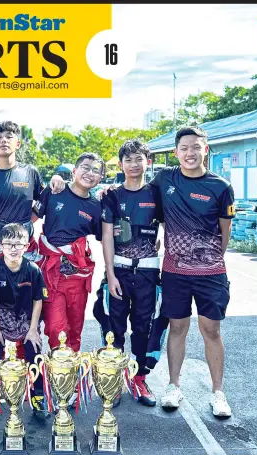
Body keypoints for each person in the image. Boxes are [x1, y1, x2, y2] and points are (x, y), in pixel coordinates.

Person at [151, 126, 235, 418]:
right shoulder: (164, 179)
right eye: (184, 148)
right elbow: (136, 191)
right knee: (177, 327)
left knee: (211, 329)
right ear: (176, 152)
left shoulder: (221, 187)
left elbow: (225, 232)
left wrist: (209, 260)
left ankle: (218, 393)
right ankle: (173, 386)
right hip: (174, 271)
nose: (190, 153)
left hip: (211, 272)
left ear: (205, 150)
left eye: (196, 147)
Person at [0, 120, 65, 360]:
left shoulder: (30, 173)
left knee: (27, 315)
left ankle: (29, 376)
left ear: (18, 142)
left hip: (24, 256)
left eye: (9, 136)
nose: (4, 140)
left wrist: (57, 181)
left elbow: (42, 205)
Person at [98, 140, 164, 407]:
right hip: (120, 272)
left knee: (143, 326)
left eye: (139, 159)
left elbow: (171, 227)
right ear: (120, 164)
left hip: (148, 273)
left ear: (148, 161)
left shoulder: (158, 194)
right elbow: (106, 236)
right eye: (128, 160)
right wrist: (110, 275)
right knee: (114, 327)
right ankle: (113, 379)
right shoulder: (112, 195)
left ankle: (139, 378)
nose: (134, 165)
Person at [36, 152, 104, 353]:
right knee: (56, 328)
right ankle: (57, 373)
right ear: (74, 171)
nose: (89, 173)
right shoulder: (55, 192)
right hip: (51, 273)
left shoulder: (97, 207)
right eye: (85, 167)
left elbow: (105, 236)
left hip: (78, 276)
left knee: (74, 330)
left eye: (96, 171)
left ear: (100, 178)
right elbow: (29, 219)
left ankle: (69, 378)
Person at [0, 223, 47, 413]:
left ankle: (38, 396)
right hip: (1, 315)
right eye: (8, 244)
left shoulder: (33, 269)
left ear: (26, 246)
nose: (13, 249)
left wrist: (33, 330)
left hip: (25, 317)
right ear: (0, 245)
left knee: (34, 350)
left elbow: (38, 301)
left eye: (18, 244)